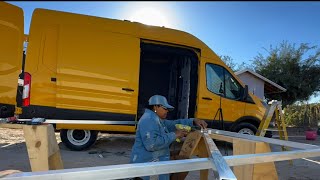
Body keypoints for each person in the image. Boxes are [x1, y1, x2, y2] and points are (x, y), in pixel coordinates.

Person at [130, 95, 208, 180]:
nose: (167, 111)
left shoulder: (157, 119)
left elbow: (174, 124)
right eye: (165, 108)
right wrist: (175, 135)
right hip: (146, 163)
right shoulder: (148, 120)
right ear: (155, 106)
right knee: (184, 163)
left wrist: (193, 121)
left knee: (184, 158)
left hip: (155, 156)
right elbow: (152, 145)